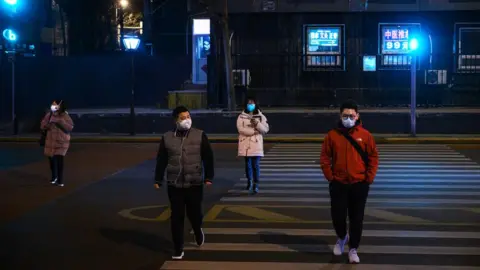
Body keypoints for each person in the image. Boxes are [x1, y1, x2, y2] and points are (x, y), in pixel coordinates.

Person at [319, 100, 379, 264]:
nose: (348, 118)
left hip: (359, 184)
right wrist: (330, 176)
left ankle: (353, 249)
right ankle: (341, 236)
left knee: (356, 219)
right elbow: (325, 157)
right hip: (338, 183)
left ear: (357, 116)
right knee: (337, 216)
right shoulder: (332, 135)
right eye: (345, 115)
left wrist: (369, 177)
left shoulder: (365, 135)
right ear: (340, 116)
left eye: (351, 115)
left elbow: (373, 157)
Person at [154, 105, 214, 260]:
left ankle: (197, 228)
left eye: (188, 116)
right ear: (176, 120)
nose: (187, 120)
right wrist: (158, 179)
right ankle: (178, 248)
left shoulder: (199, 135)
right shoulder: (167, 137)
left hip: (194, 182)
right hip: (174, 184)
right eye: (183, 117)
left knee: (195, 214)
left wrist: (209, 177)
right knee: (177, 217)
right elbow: (162, 159)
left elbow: (208, 157)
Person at [236, 96, 269, 194]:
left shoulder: (261, 116)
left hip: (256, 145)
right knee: (248, 165)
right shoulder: (241, 116)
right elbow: (240, 129)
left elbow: (265, 130)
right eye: (249, 103)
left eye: (252, 103)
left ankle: (256, 184)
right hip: (245, 144)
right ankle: (249, 181)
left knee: (255, 165)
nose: (250, 105)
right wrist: (253, 131)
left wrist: (257, 124)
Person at [40, 100, 74, 187]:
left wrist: (61, 122)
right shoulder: (49, 115)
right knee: (51, 160)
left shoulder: (65, 115)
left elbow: (70, 127)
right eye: (53, 104)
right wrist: (47, 125)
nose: (54, 106)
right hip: (50, 141)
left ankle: (60, 179)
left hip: (61, 141)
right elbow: (42, 124)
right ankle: (54, 176)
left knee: (59, 160)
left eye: (56, 105)